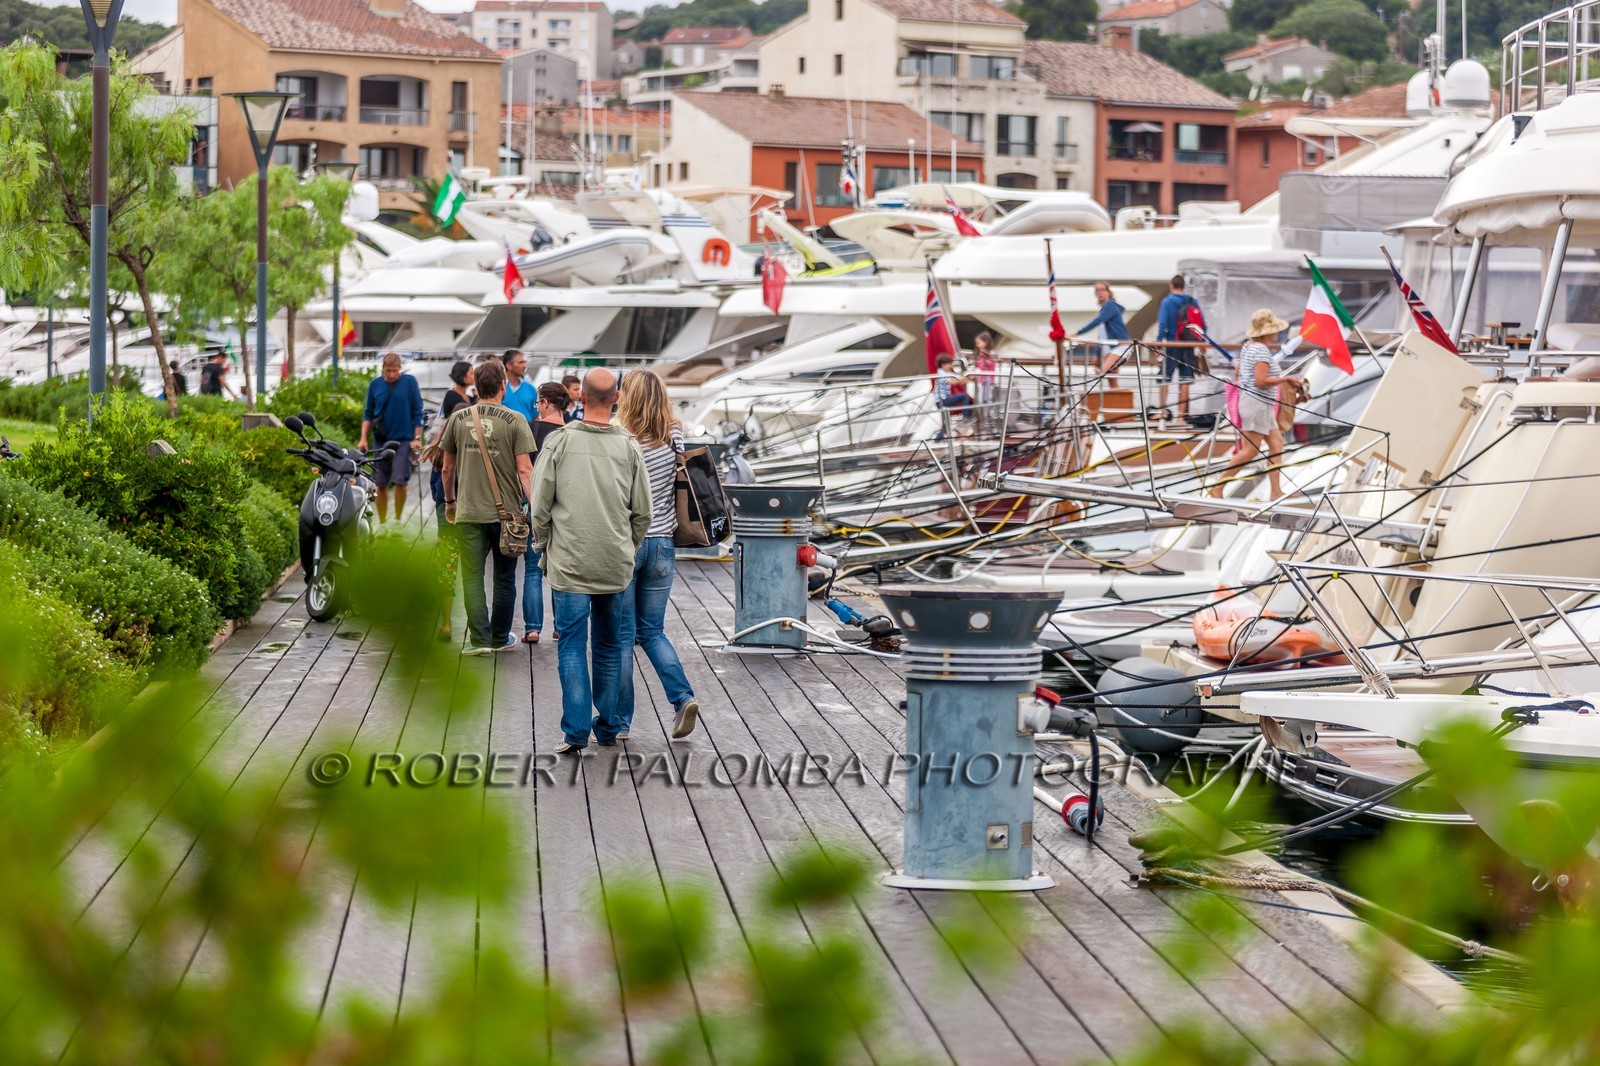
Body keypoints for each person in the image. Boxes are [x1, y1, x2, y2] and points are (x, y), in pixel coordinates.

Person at [530, 367, 651, 753]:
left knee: (570, 645)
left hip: (569, 560)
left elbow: (539, 506)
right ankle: (611, 725)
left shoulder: (560, 442)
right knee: (610, 645)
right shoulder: (629, 447)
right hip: (615, 562)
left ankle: (575, 731)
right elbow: (643, 513)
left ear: (580, 398)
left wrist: (544, 545)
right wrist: (627, 548)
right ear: (616, 398)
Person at [615, 369, 700, 739]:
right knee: (652, 631)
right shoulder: (674, 436)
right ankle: (682, 698)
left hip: (626, 542)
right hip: (664, 543)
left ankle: (619, 722)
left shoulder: (620, 437)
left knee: (620, 635)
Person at [439, 358, 536, 653]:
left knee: (471, 577)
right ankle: (499, 637)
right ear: (503, 385)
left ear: (476, 386)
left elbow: (446, 469)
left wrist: (450, 501)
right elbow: (525, 471)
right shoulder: (516, 420)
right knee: (505, 579)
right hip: (507, 515)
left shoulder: (458, 419)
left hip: (469, 512)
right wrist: (537, 509)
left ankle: (478, 639)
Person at [1210, 309, 1304, 501]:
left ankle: (1276, 491)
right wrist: (1286, 380)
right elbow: (1261, 381)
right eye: (1275, 329)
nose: (1277, 332)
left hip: (1260, 405)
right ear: (1267, 332)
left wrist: (1280, 380)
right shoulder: (1260, 350)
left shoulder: (1248, 346)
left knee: (1277, 444)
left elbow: (1242, 373)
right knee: (1250, 451)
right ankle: (1217, 488)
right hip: (1257, 405)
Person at [429, 360, 474, 641]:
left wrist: (446, 501)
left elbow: (436, 490)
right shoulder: (470, 452)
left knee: (445, 568)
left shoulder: (437, 453)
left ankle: (446, 623)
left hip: (444, 520)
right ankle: (475, 627)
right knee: (471, 569)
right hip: (470, 515)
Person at [520, 381, 568, 644]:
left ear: (546, 402)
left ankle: (532, 628)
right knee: (559, 570)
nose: (537, 407)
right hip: (563, 508)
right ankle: (560, 626)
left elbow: (523, 470)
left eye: (538, 403)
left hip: (533, 505)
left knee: (532, 570)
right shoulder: (572, 433)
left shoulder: (532, 429)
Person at [358, 352, 425, 524]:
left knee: (400, 480)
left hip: (404, 440)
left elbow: (418, 412)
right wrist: (363, 438)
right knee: (380, 483)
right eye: (388, 371)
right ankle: (382, 521)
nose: (392, 374)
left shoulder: (409, 383)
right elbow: (368, 414)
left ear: (399, 369)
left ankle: (397, 519)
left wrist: (417, 438)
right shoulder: (375, 385)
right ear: (383, 369)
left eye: (395, 371)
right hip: (381, 440)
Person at [1156, 274, 1201, 423]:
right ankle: (1181, 416)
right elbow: (1202, 324)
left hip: (1172, 344)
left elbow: (1163, 324)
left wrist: (1158, 342)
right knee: (1185, 379)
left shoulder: (1167, 302)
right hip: (1188, 345)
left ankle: (1163, 411)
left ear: (1171, 286)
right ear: (1183, 286)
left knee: (1163, 377)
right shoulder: (1191, 301)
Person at [1075, 282, 1131, 387]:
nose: (1100, 293)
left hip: (1119, 346)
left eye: (1103, 290)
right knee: (1112, 381)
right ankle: (1116, 403)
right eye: (1097, 291)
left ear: (1109, 292)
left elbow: (1096, 322)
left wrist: (1077, 333)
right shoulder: (1104, 309)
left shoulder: (1111, 306)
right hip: (1109, 348)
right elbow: (1101, 335)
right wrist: (1097, 353)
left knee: (1103, 372)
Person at [501, 349, 537, 423]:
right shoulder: (499, 388)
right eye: (520, 363)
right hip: (504, 431)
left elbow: (536, 416)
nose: (524, 366)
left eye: (524, 362)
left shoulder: (531, 389)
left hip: (526, 430)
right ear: (509, 366)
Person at [971, 332, 998, 410]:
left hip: (988, 380)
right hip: (981, 380)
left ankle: (988, 415)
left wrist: (984, 357)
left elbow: (991, 363)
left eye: (979, 343)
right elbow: (980, 366)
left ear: (986, 342)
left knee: (987, 398)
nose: (977, 345)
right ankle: (982, 416)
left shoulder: (991, 353)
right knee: (980, 399)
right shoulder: (981, 354)